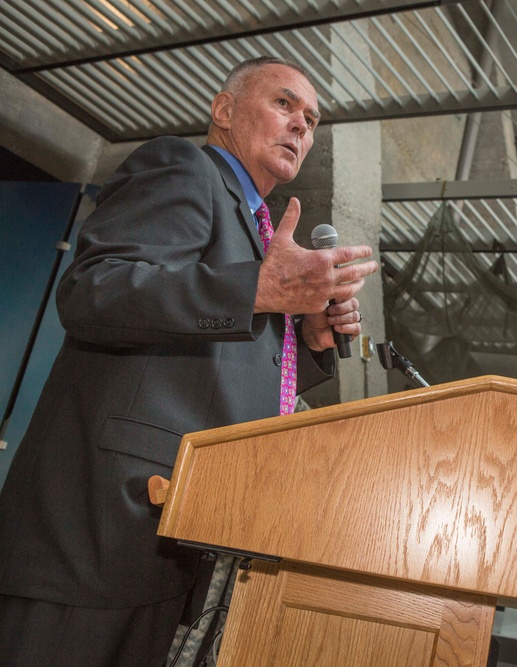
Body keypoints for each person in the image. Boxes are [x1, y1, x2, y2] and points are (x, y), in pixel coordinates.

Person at [0, 56, 379, 666]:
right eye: (284, 104)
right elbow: (95, 291)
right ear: (223, 110)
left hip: (170, 540)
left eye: (310, 120)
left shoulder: (258, 237)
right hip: (97, 534)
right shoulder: (182, 167)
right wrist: (257, 291)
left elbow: (221, 368)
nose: (300, 127)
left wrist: (306, 340)